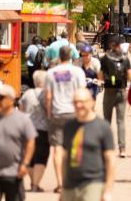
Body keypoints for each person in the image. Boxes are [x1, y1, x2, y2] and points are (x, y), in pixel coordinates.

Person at [44, 47, 86, 194]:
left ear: (59, 57)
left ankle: (60, 183)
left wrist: (49, 114)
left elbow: (48, 97)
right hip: (74, 113)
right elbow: (82, 93)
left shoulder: (50, 73)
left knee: (57, 148)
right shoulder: (78, 72)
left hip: (57, 113)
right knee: (75, 146)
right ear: (71, 56)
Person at [61, 88, 115, 201]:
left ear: (91, 102)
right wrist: (63, 187)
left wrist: (108, 191)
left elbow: (110, 160)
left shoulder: (103, 127)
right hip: (70, 185)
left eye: (82, 102)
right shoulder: (69, 126)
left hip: (93, 183)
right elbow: (65, 158)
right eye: (75, 102)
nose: (78, 105)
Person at [98, 36, 131, 158]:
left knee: (107, 120)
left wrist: (101, 81)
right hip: (121, 91)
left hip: (109, 91)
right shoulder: (125, 59)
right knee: (121, 121)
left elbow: (100, 75)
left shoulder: (105, 58)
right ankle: (122, 149)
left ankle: (106, 147)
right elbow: (130, 74)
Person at [19, 70, 50, 192]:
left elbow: (21, 109)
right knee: (41, 157)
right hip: (43, 129)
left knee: (30, 157)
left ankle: (33, 182)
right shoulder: (46, 93)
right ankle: (36, 184)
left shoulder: (27, 93)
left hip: (27, 128)